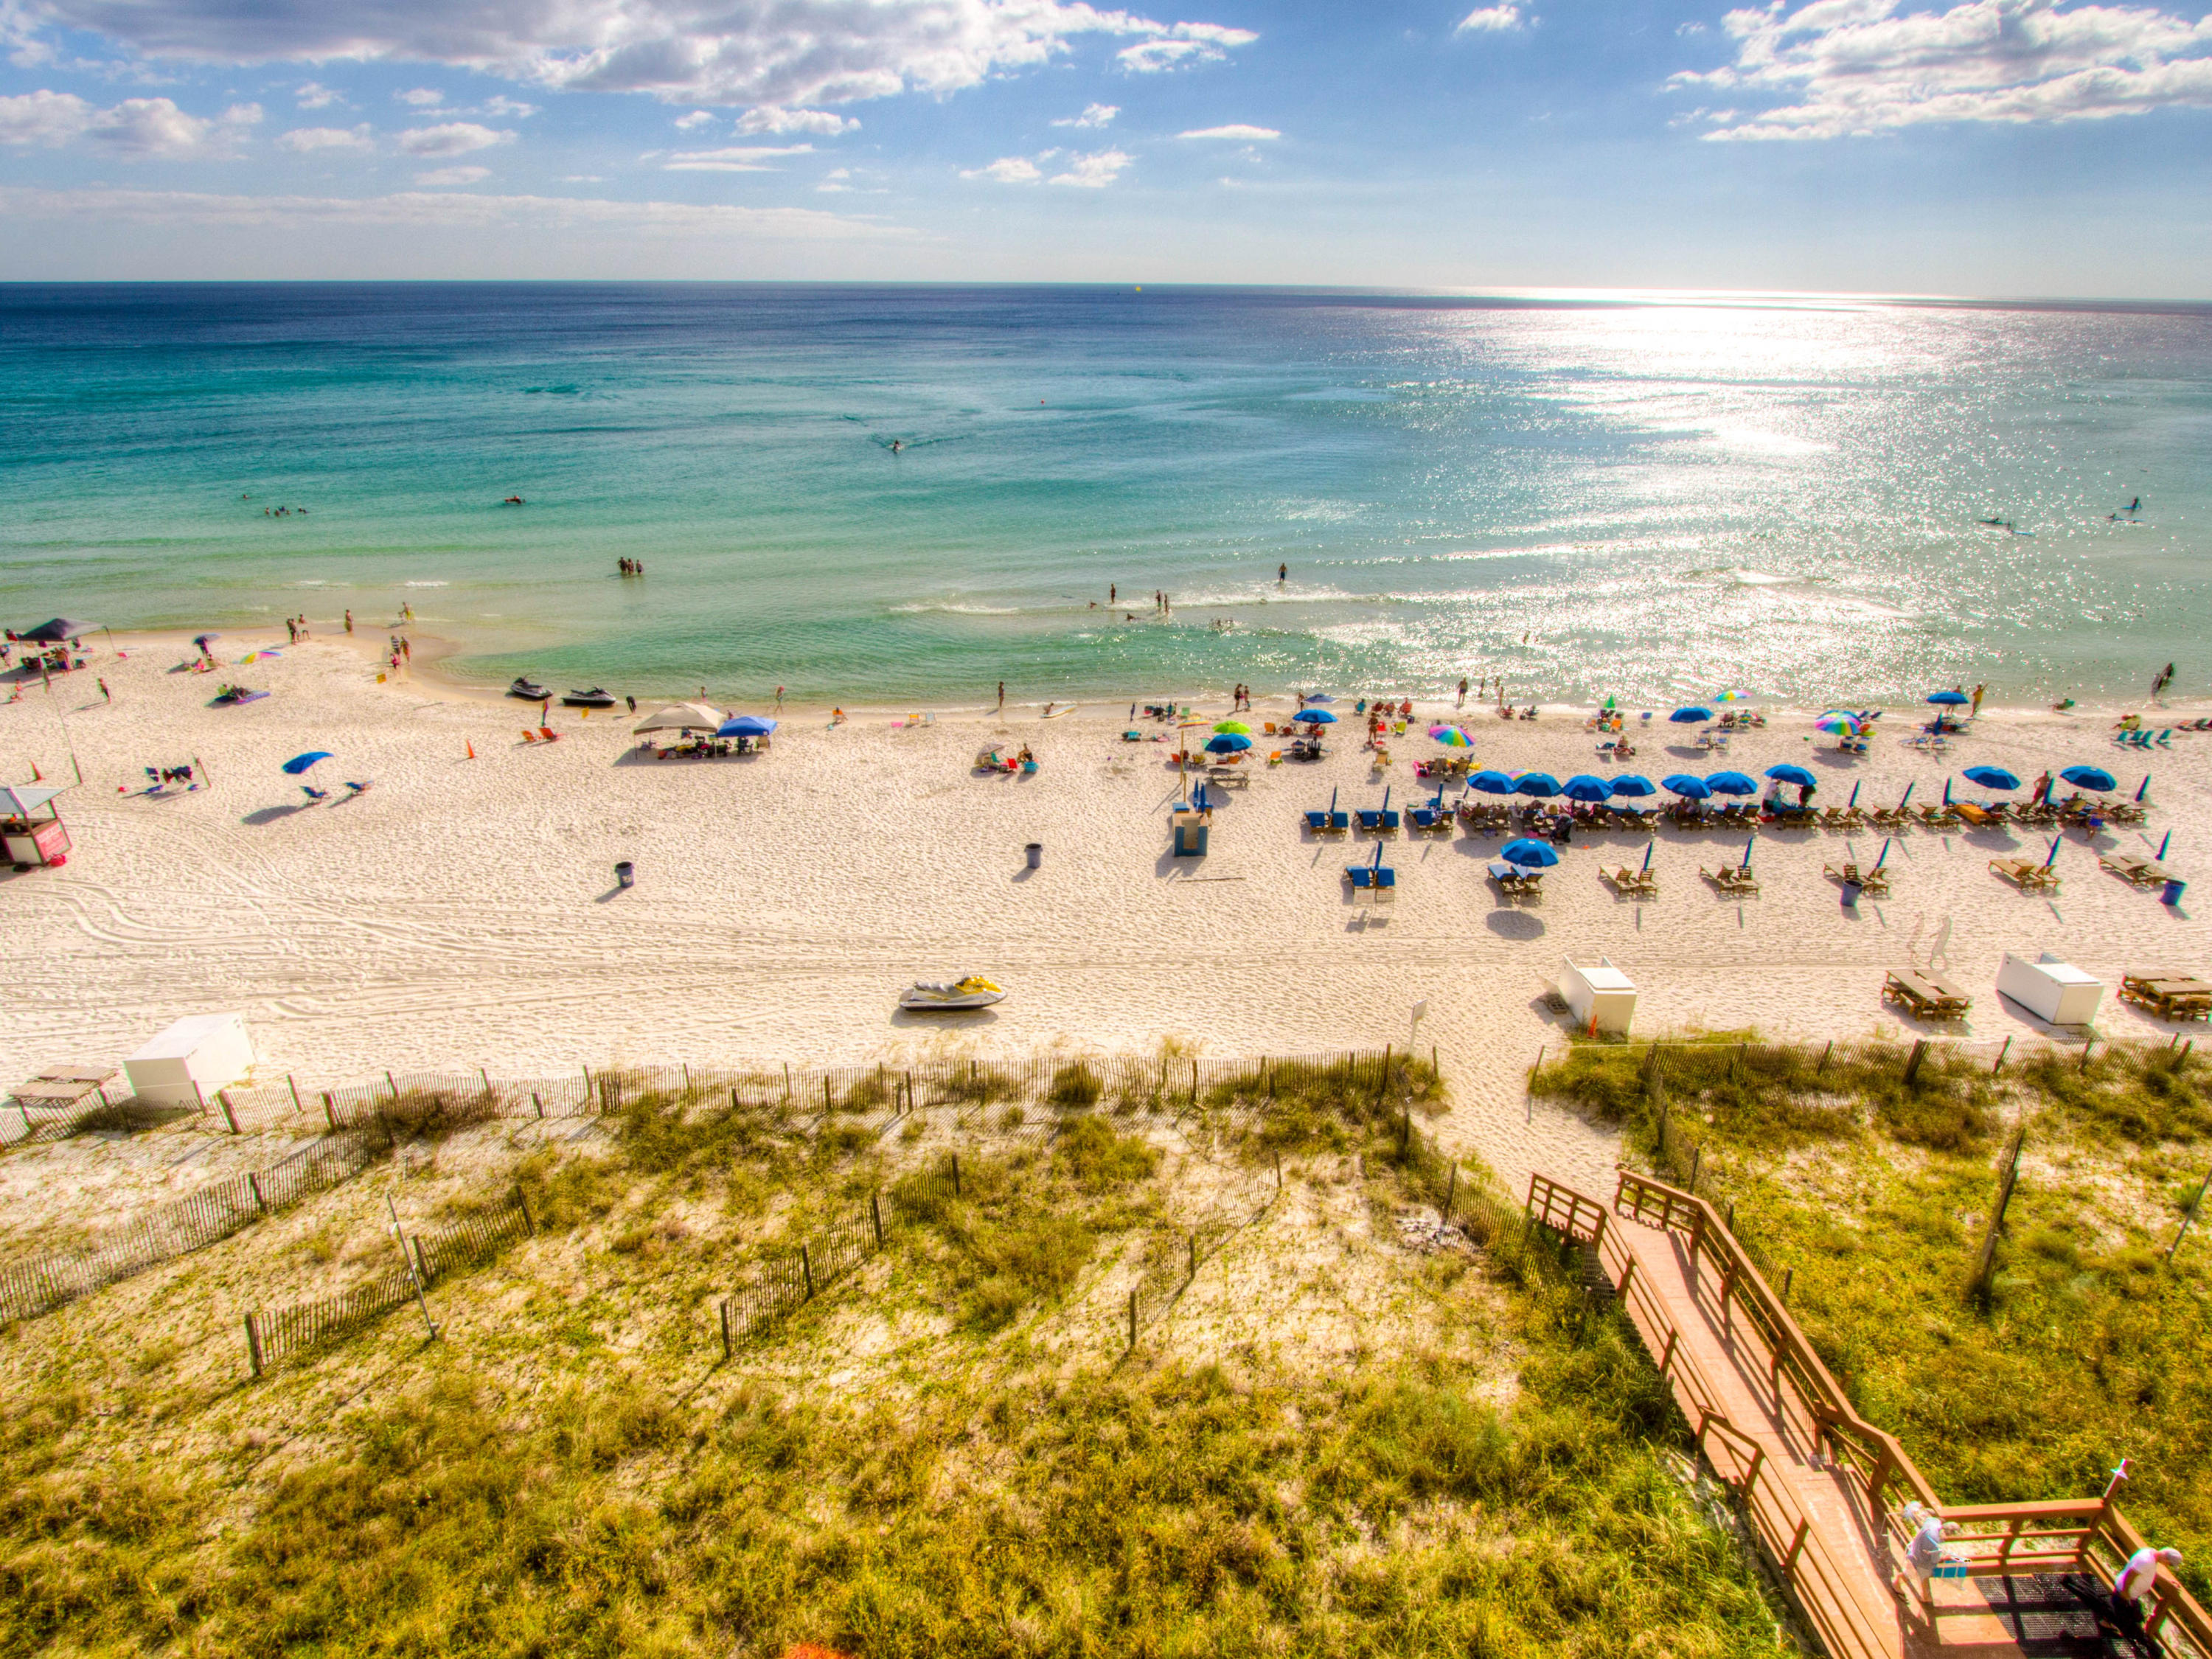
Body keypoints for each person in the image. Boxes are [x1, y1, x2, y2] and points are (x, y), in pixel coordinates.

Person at [2109, 1545, 2183, 1657]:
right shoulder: (2146, 1560)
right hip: (2125, 1594)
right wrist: (2125, 1592)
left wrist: (2168, 1581)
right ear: (2165, 1558)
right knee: (2125, 1620)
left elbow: (2150, 1572)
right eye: (2170, 1564)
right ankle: (2108, 1627)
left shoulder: (2151, 1554)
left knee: (2136, 1619)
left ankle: (2111, 1625)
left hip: (2131, 1596)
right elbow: (2131, 1575)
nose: (2169, 1566)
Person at [1893, 1502, 1955, 1607]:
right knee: (1910, 1573)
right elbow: (1932, 1557)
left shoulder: (1933, 1523)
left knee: (1922, 1574)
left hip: (1916, 1548)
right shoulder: (1934, 1540)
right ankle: (1897, 1585)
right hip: (1917, 1556)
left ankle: (1926, 1597)